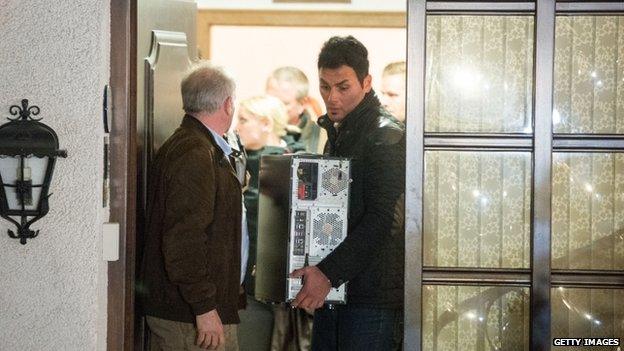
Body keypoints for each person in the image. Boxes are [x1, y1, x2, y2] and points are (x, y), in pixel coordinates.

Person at [290, 36, 406, 351]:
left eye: (343, 87)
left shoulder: (386, 136)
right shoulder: (342, 131)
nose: (332, 97)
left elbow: (384, 220)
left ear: (366, 83)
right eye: (325, 87)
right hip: (339, 288)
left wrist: (327, 272)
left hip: (371, 296)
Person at [140, 61, 243, 351]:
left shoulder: (197, 146)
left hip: (195, 311)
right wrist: (204, 307)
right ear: (228, 104)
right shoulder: (195, 152)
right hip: (190, 316)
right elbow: (184, 238)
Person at [235, 95, 290, 351]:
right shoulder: (248, 163)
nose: (237, 127)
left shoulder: (274, 169)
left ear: (266, 123)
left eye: (244, 120)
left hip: (259, 287)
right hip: (256, 285)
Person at [266, 66, 326, 154]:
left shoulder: (322, 138)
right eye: (269, 101)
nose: (273, 109)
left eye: (283, 104)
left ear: (302, 104)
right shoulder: (256, 132)